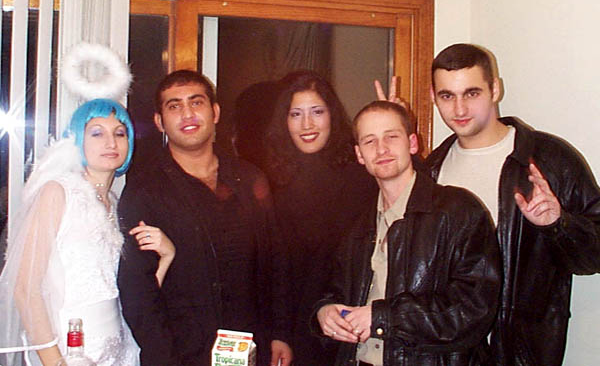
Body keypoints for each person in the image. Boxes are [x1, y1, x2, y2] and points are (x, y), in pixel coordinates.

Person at [421, 43, 600, 366]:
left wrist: (558, 224)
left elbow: (594, 256)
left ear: (495, 89)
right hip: (447, 353)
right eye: (447, 96)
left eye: (471, 93)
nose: (459, 108)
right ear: (434, 97)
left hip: (520, 354)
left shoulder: (550, 160)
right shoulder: (430, 171)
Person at [117, 70, 293, 366]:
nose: (187, 114)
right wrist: (163, 358)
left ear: (215, 113)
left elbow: (275, 262)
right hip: (182, 353)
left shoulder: (250, 178)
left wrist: (280, 333)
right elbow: (137, 289)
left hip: (252, 347)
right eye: (174, 106)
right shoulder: (144, 192)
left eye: (196, 102)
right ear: (159, 122)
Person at [312, 100, 501, 366]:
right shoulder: (357, 224)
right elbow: (335, 290)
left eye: (391, 136)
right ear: (359, 155)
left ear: (412, 143)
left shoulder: (459, 211)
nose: (381, 149)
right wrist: (324, 312)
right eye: (369, 141)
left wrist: (384, 318)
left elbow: (473, 308)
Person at [0, 99, 174, 366]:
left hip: (119, 352)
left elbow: (131, 294)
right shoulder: (58, 192)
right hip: (69, 351)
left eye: (120, 133)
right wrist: (55, 361)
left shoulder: (116, 204)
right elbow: (25, 288)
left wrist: (167, 257)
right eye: (97, 133)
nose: (111, 142)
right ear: (77, 139)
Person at [263, 70, 377, 366]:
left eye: (317, 112)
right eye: (296, 114)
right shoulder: (270, 183)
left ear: (332, 116)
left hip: (354, 324)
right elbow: (274, 268)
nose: (307, 124)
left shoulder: (362, 177)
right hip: (296, 326)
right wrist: (279, 333)